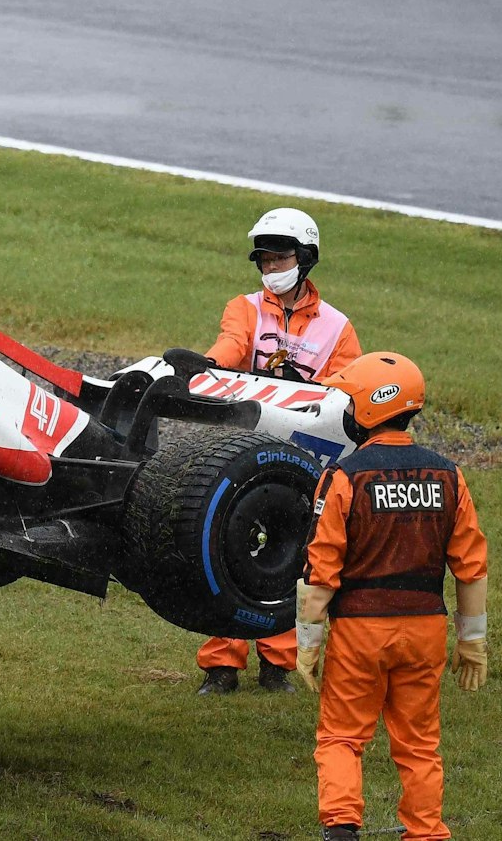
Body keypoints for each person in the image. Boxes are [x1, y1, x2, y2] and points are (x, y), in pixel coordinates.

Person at [295, 352, 489, 841]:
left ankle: (341, 828)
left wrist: (308, 643)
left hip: (360, 632)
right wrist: (473, 642)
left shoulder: (344, 476)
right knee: (420, 745)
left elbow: (321, 571)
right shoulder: (449, 475)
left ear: (367, 410)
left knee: (341, 736)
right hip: (425, 630)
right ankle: (426, 833)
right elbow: (470, 567)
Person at [196, 205, 364, 695]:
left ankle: (278, 663)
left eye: (281, 258)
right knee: (226, 547)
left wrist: (306, 387)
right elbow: (230, 345)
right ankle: (221, 666)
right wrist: (209, 365)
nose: (272, 268)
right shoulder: (243, 308)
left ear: (305, 259)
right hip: (244, 455)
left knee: (294, 559)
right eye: (265, 261)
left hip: (302, 464)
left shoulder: (338, 327)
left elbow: (347, 387)